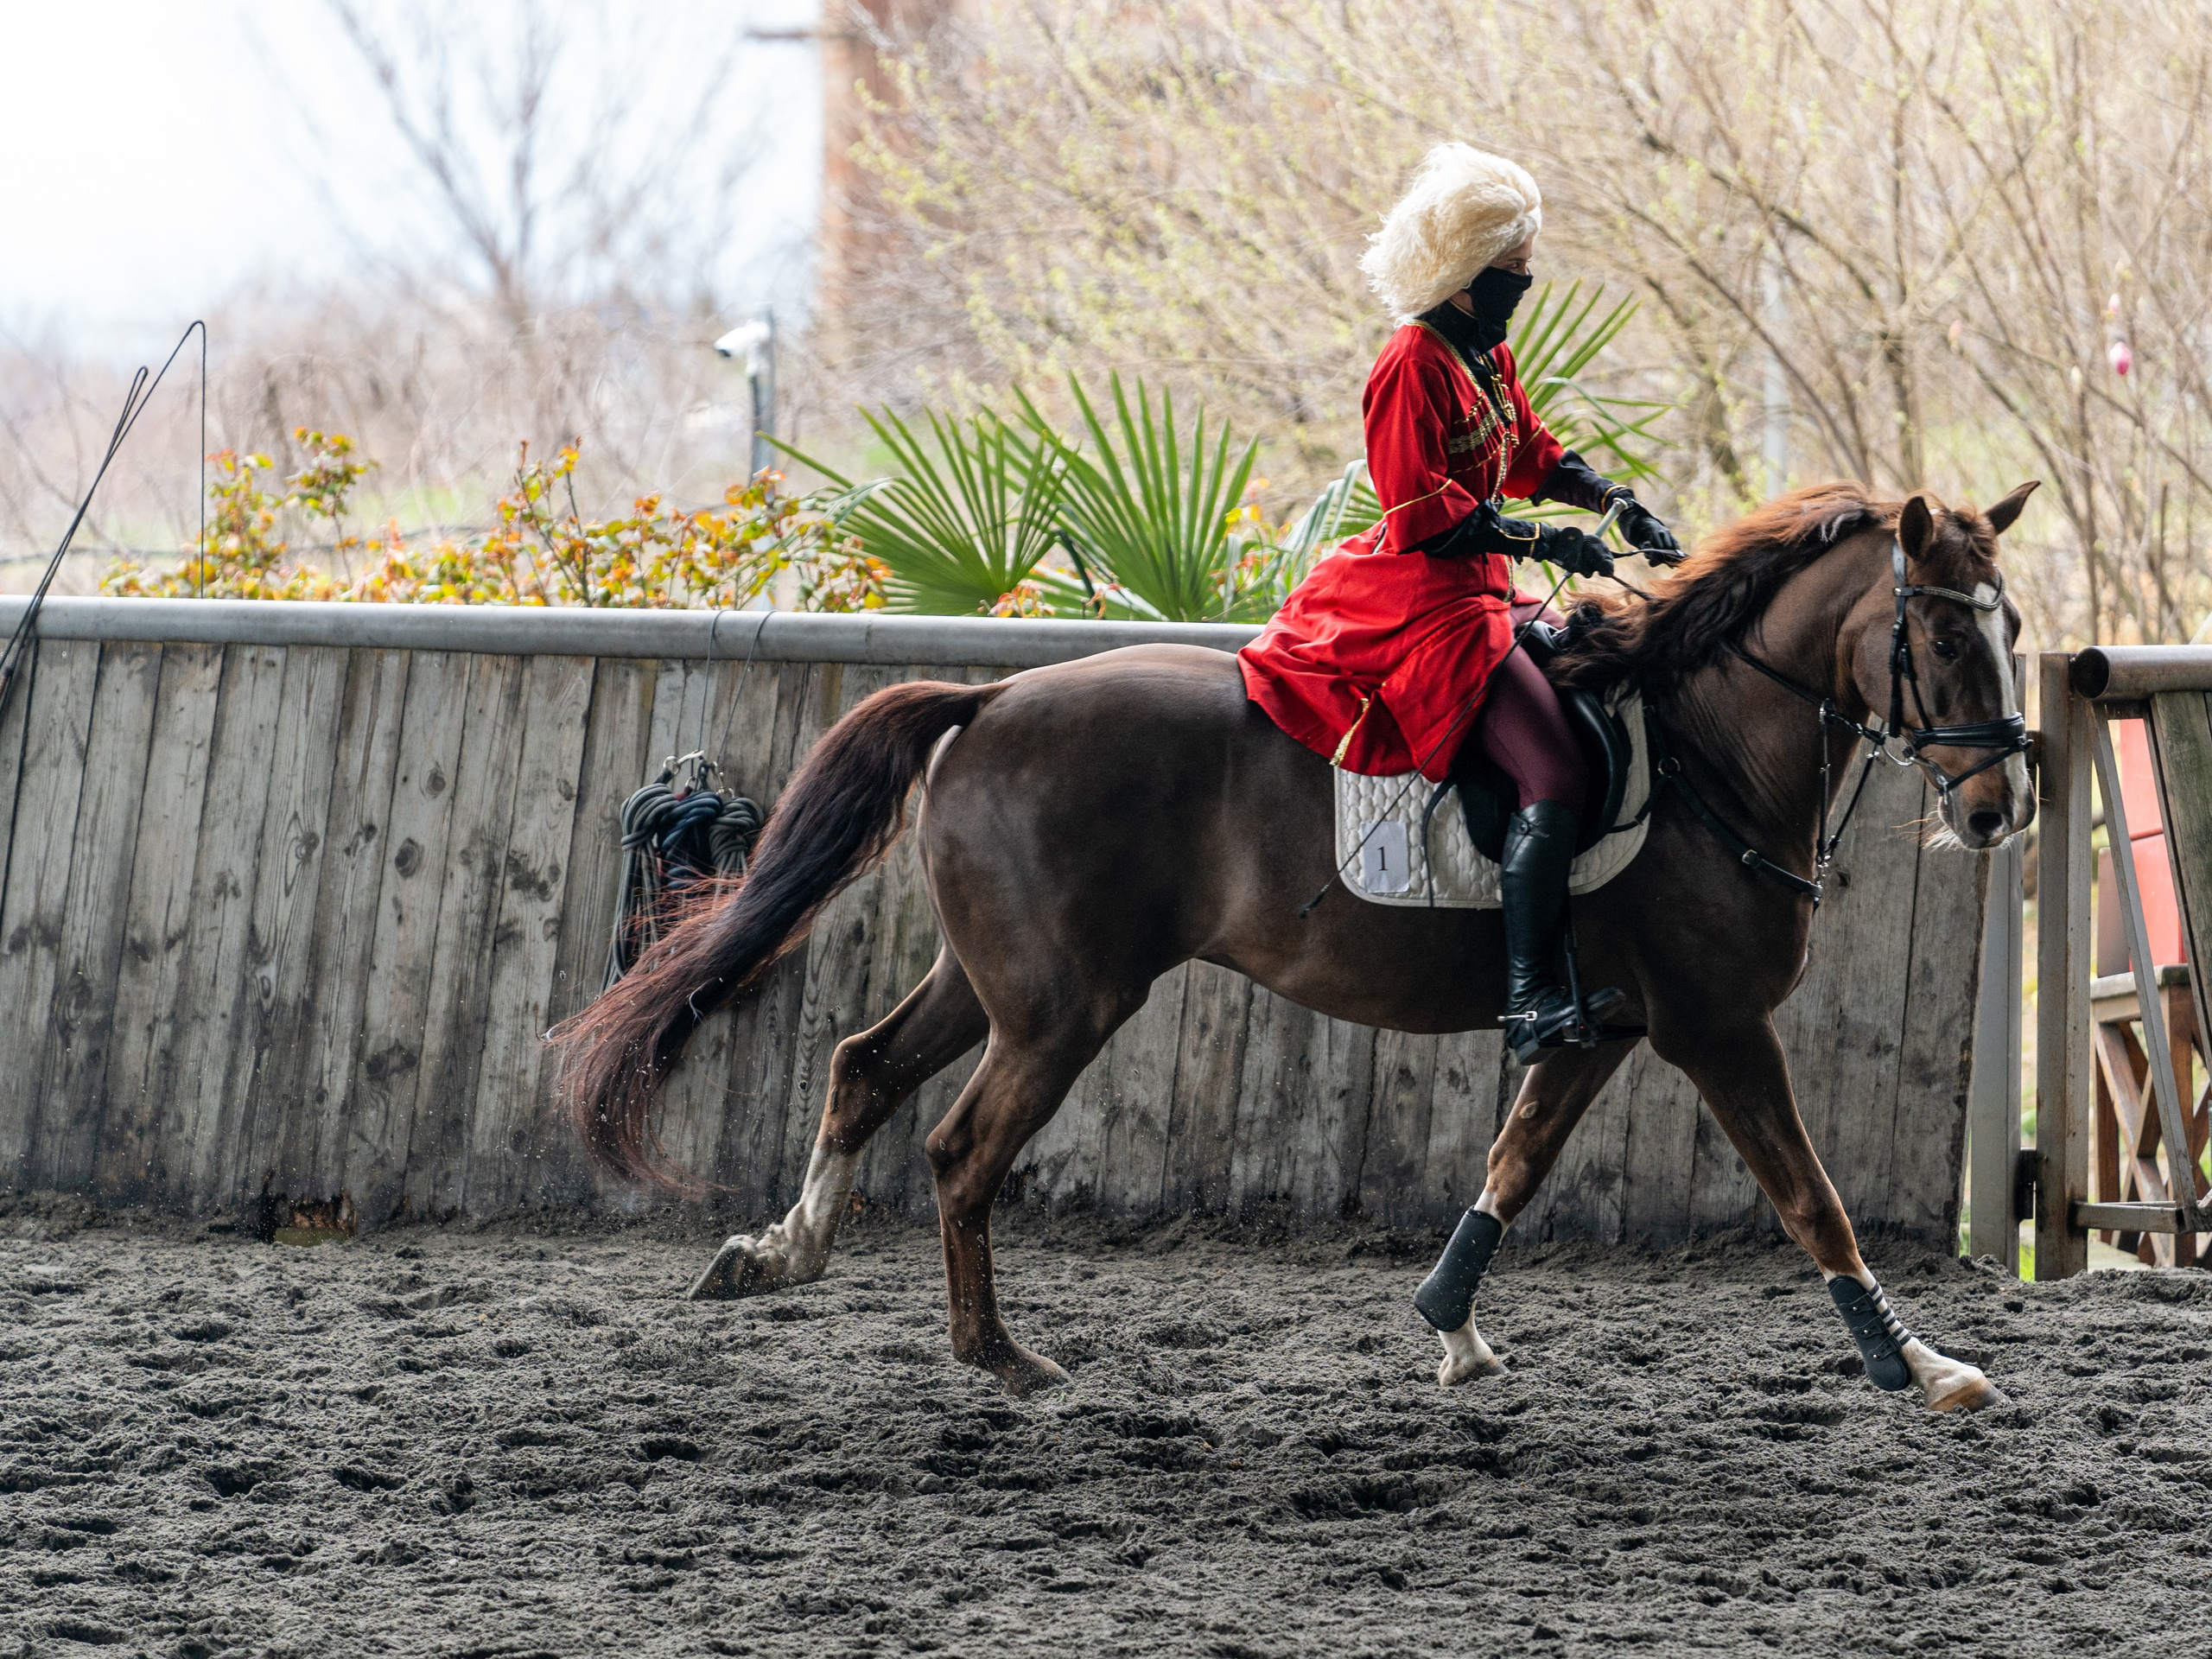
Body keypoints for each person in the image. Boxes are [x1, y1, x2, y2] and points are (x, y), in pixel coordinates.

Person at [1238, 143, 1681, 1061]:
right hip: (1425, 601)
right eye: (1514, 269)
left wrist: (1613, 500)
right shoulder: (1411, 362)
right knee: (1552, 774)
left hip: (1484, 589)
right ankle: (1528, 999)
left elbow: (1532, 454)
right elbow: (1416, 511)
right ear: (1469, 276)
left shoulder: (1486, 353)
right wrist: (1542, 543)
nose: (1526, 282)